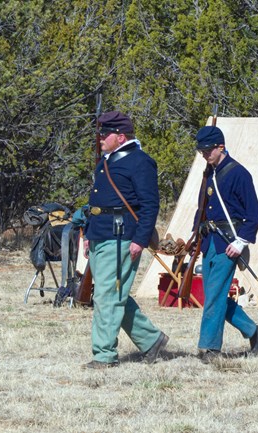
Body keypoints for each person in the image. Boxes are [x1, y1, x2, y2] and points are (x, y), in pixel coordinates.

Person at [82, 111, 168, 369]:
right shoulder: (106, 162)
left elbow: (150, 205)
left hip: (122, 236)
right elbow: (97, 201)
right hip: (100, 233)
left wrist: (140, 239)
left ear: (120, 137)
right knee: (112, 294)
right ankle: (152, 340)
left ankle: (104, 355)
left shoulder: (140, 162)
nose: (100, 138)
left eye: (105, 134)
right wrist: (88, 233)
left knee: (107, 296)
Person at [192, 125, 258, 361]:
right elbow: (202, 209)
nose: (204, 155)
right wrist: (195, 237)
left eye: (208, 150)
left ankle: (211, 348)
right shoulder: (209, 173)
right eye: (201, 151)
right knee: (213, 296)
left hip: (228, 243)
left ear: (220, 147)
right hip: (209, 242)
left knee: (214, 297)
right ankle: (254, 332)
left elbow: (253, 215)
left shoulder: (238, 174)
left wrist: (240, 241)